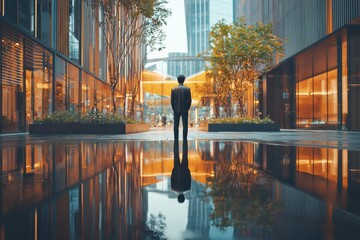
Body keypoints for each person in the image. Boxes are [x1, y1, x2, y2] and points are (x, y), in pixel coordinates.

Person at [171, 75, 192, 140]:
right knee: (185, 125)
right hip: (185, 110)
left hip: (176, 110)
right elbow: (189, 100)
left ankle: (176, 138)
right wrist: (187, 108)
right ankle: (184, 138)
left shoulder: (173, 89)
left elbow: (172, 101)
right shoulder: (187, 89)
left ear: (177, 80)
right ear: (184, 80)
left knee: (176, 125)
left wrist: (174, 108)